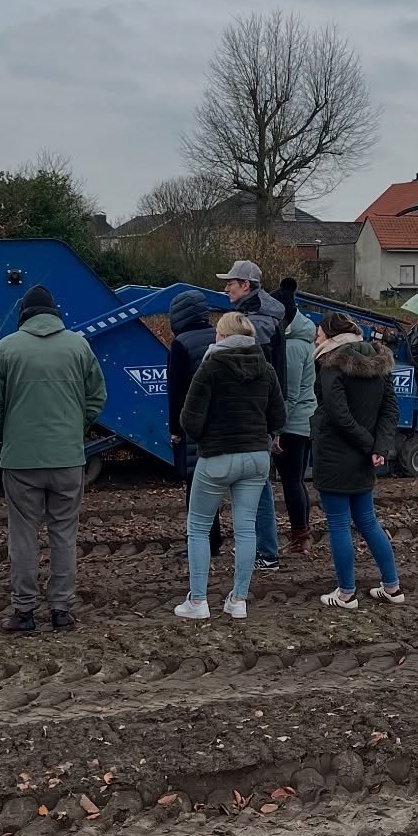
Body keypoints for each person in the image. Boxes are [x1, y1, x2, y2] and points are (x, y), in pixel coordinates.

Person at [0, 286, 107, 635]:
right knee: (64, 533)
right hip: (68, 457)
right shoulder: (78, 345)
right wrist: (76, 428)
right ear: (54, 313)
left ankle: (24, 612)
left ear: (24, 314)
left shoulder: (6, 348)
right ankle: (61, 610)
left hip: (20, 460)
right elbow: (97, 396)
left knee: (23, 535)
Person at [174, 313, 284, 622]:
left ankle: (197, 601)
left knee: (198, 526)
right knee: (246, 528)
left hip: (218, 456)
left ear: (223, 337)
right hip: (256, 457)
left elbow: (189, 420)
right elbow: (278, 419)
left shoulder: (210, 368)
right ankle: (238, 600)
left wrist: (208, 437)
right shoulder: (267, 369)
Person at [310, 312, 405, 610]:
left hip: (335, 454)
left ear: (331, 335)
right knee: (367, 520)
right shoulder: (378, 364)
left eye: (318, 333)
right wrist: (379, 447)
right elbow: (390, 409)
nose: (316, 339)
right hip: (365, 458)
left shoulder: (330, 365)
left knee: (339, 523)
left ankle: (346, 594)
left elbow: (338, 415)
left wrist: (368, 446)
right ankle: (392, 586)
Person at [217, 260, 288, 570]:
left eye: (231, 283)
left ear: (246, 285)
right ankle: (261, 548)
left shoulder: (254, 325)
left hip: (253, 418)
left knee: (256, 488)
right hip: (263, 416)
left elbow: (255, 378)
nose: (226, 288)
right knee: (257, 485)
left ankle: (266, 552)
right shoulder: (264, 317)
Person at [166, 290, 223, 559]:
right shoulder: (219, 337)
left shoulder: (181, 344)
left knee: (196, 489)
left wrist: (175, 430)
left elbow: (176, 391)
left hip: (193, 427)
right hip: (220, 423)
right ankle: (216, 539)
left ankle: (200, 544)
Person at [277, 302, 318, 553]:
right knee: (297, 480)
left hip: (293, 423)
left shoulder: (292, 346)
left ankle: (300, 536)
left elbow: (290, 393)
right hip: (304, 419)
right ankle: (302, 533)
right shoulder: (306, 340)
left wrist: (278, 429)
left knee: (291, 481)